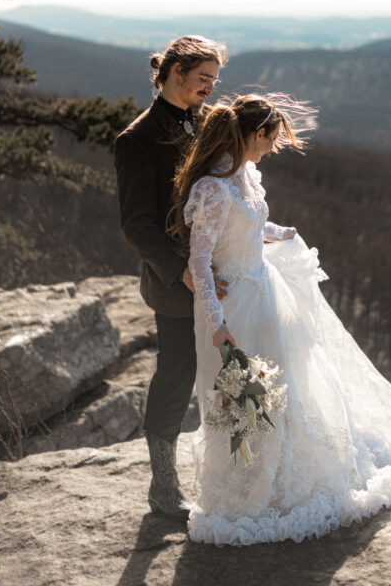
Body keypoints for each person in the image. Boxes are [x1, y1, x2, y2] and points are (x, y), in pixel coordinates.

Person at [170, 94, 391, 546]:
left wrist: (282, 233)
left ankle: (282, 474)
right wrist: (216, 323)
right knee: (243, 399)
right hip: (234, 308)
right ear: (254, 133)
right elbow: (201, 259)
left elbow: (245, 227)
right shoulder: (211, 187)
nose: (272, 147)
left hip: (266, 293)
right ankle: (245, 488)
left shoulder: (245, 175)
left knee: (284, 390)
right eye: (270, 138)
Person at [114, 34, 228, 519]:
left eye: (215, 81)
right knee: (178, 374)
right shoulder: (136, 139)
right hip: (174, 283)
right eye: (203, 78)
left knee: (229, 368)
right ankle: (164, 487)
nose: (209, 88)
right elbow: (136, 224)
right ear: (174, 73)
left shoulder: (207, 123)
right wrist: (181, 272)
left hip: (222, 272)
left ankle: (236, 476)